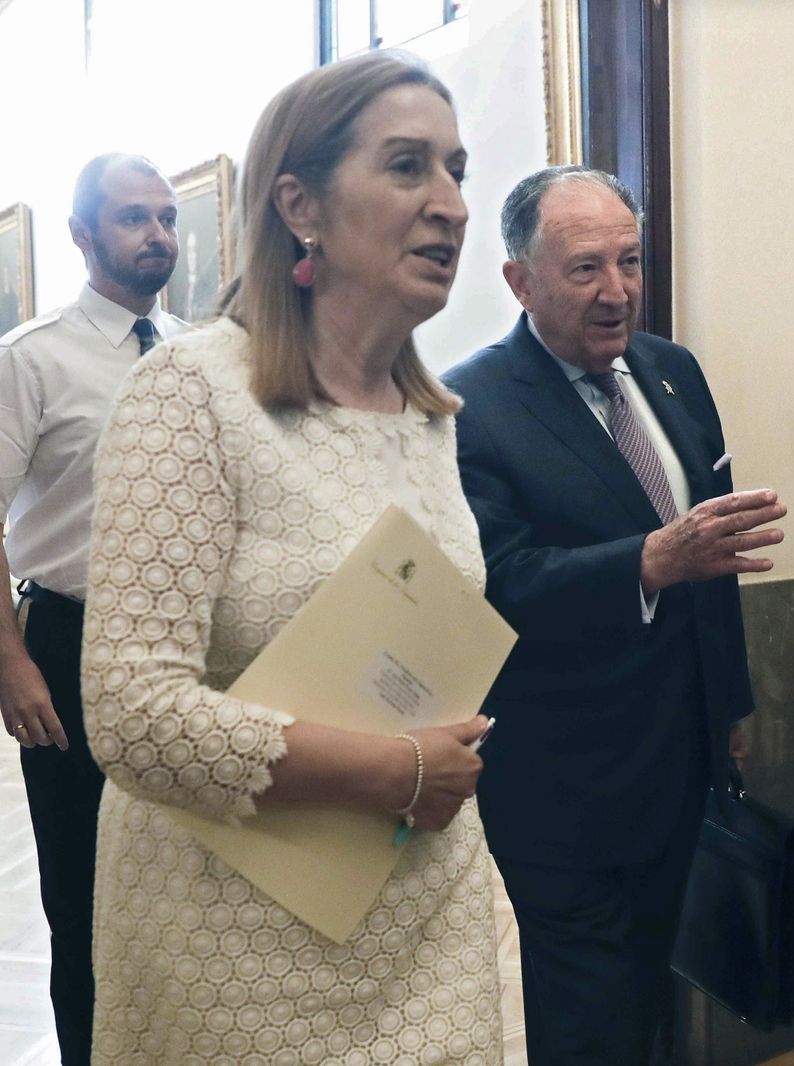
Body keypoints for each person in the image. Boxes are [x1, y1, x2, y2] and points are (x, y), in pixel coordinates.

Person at [79, 53, 501, 1063]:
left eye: (457, 170)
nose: (448, 204)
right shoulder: (193, 391)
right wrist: (392, 769)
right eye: (408, 167)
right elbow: (131, 714)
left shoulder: (432, 418)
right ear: (299, 204)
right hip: (235, 944)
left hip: (426, 921)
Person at [443, 165, 783, 1065]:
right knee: (585, 1014)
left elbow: (717, 553)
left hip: (682, 757)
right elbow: (496, 583)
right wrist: (643, 561)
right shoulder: (468, 407)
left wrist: (732, 703)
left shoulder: (673, 371)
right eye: (586, 267)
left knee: (655, 987)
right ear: (519, 280)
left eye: (630, 262)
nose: (617, 291)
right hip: (561, 780)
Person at [0, 152, 186, 1065]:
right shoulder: (33, 360)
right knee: (84, 896)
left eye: (166, 218)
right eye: (133, 219)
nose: (157, 236)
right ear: (81, 236)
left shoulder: (197, 354)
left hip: (188, 650)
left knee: (188, 889)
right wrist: (10, 662)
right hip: (70, 642)